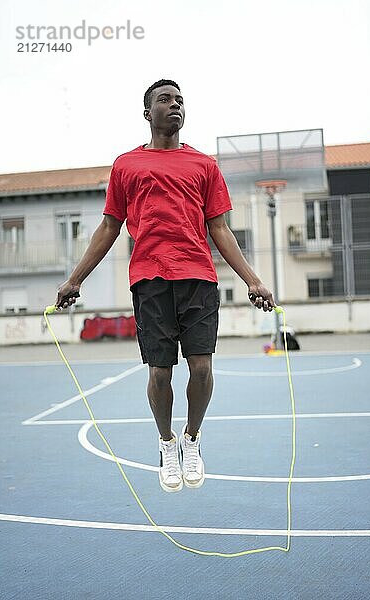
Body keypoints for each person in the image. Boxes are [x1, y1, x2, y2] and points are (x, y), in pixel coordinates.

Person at [56, 79, 275, 493]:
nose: (174, 105)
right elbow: (108, 226)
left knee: (203, 368)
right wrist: (75, 279)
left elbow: (220, 228)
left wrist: (253, 281)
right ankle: (166, 443)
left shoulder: (204, 165)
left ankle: (192, 438)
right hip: (150, 280)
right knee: (160, 373)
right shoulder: (126, 165)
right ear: (147, 113)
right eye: (164, 100)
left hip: (198, 277)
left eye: (179, 100)